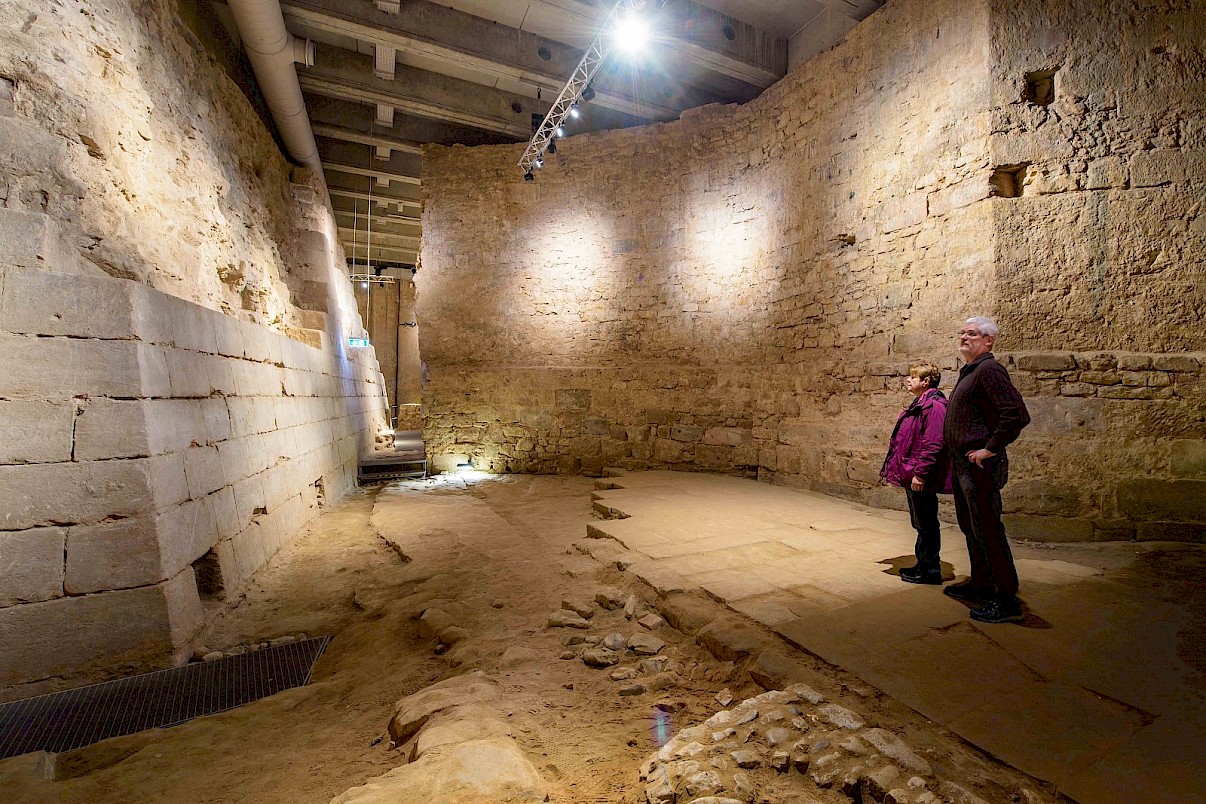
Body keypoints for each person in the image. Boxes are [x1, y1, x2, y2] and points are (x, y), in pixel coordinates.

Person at [943, 316, 1031, 623]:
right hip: (963, 465)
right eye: (962, 332)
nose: (964, 337)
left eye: (972, 334)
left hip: (979, 466)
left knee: (988, 530)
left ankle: (1006, 599)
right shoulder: (971, 371)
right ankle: (981, 584)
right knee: (972, 528)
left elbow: (1016, 414)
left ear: (988, 340)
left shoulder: (990, 370)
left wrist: (990, 448)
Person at [881, 363, 952, 584]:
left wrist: (920, 474)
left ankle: (930, 570)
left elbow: (933, 443)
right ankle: (924, 564)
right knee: (921, 521)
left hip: (920, 475)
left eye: (913, 377)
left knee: (926, 522)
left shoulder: (935, 406)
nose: (908, 380)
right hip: (912, 471)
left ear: (926, 381)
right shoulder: (922, 403)